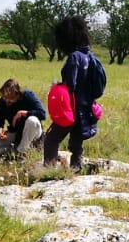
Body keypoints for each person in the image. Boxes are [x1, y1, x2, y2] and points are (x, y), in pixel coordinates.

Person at [42, 15, 102, 172]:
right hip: (86, 108)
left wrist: (58, 86)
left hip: (71, 108)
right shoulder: (90, 56)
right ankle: (76, 169)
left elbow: (71, 84)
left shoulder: (74, 57)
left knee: (51, 139)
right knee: (76, 144)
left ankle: (49, 171)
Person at [0, 77, 46, 161]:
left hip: (33, 132)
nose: (8, 101)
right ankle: (10, 151)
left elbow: (42, 114)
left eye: (11, 98)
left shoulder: (28, 96)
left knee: (32, 121)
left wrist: (25, 113)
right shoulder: (2, 102)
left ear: (18, 94)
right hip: (15, 133)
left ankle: (20, 153)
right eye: (5, 98)